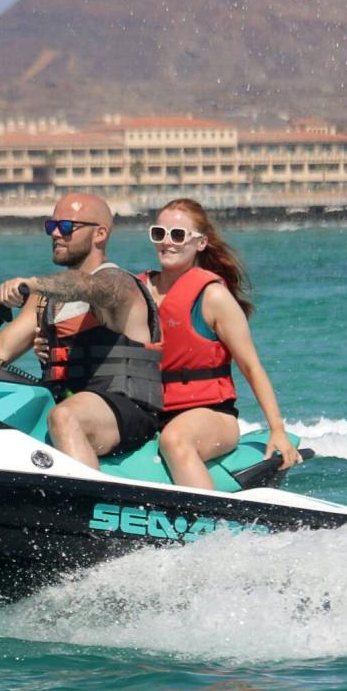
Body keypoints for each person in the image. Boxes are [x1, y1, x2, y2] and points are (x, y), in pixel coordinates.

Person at [0, 192, 161, 468]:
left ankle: (84, 504)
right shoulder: (45, 300)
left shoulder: (118, 285)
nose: (56, 234)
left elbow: (87, 286)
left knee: (65, 417)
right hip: (67, 403)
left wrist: (32, 283)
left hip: (125, 411)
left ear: (100, 234)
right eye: (51, 226)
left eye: (66, 227)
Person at [138, 197, 298, 490]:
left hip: (212, 414)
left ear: (200, 243)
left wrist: (278, 429)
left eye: (177, 235)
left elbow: (250, 366)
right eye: (159, 234)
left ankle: (207, 522)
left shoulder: (212, 297)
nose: (167, 243)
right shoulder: (136, 292)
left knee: (176, 439)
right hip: (149, 411)